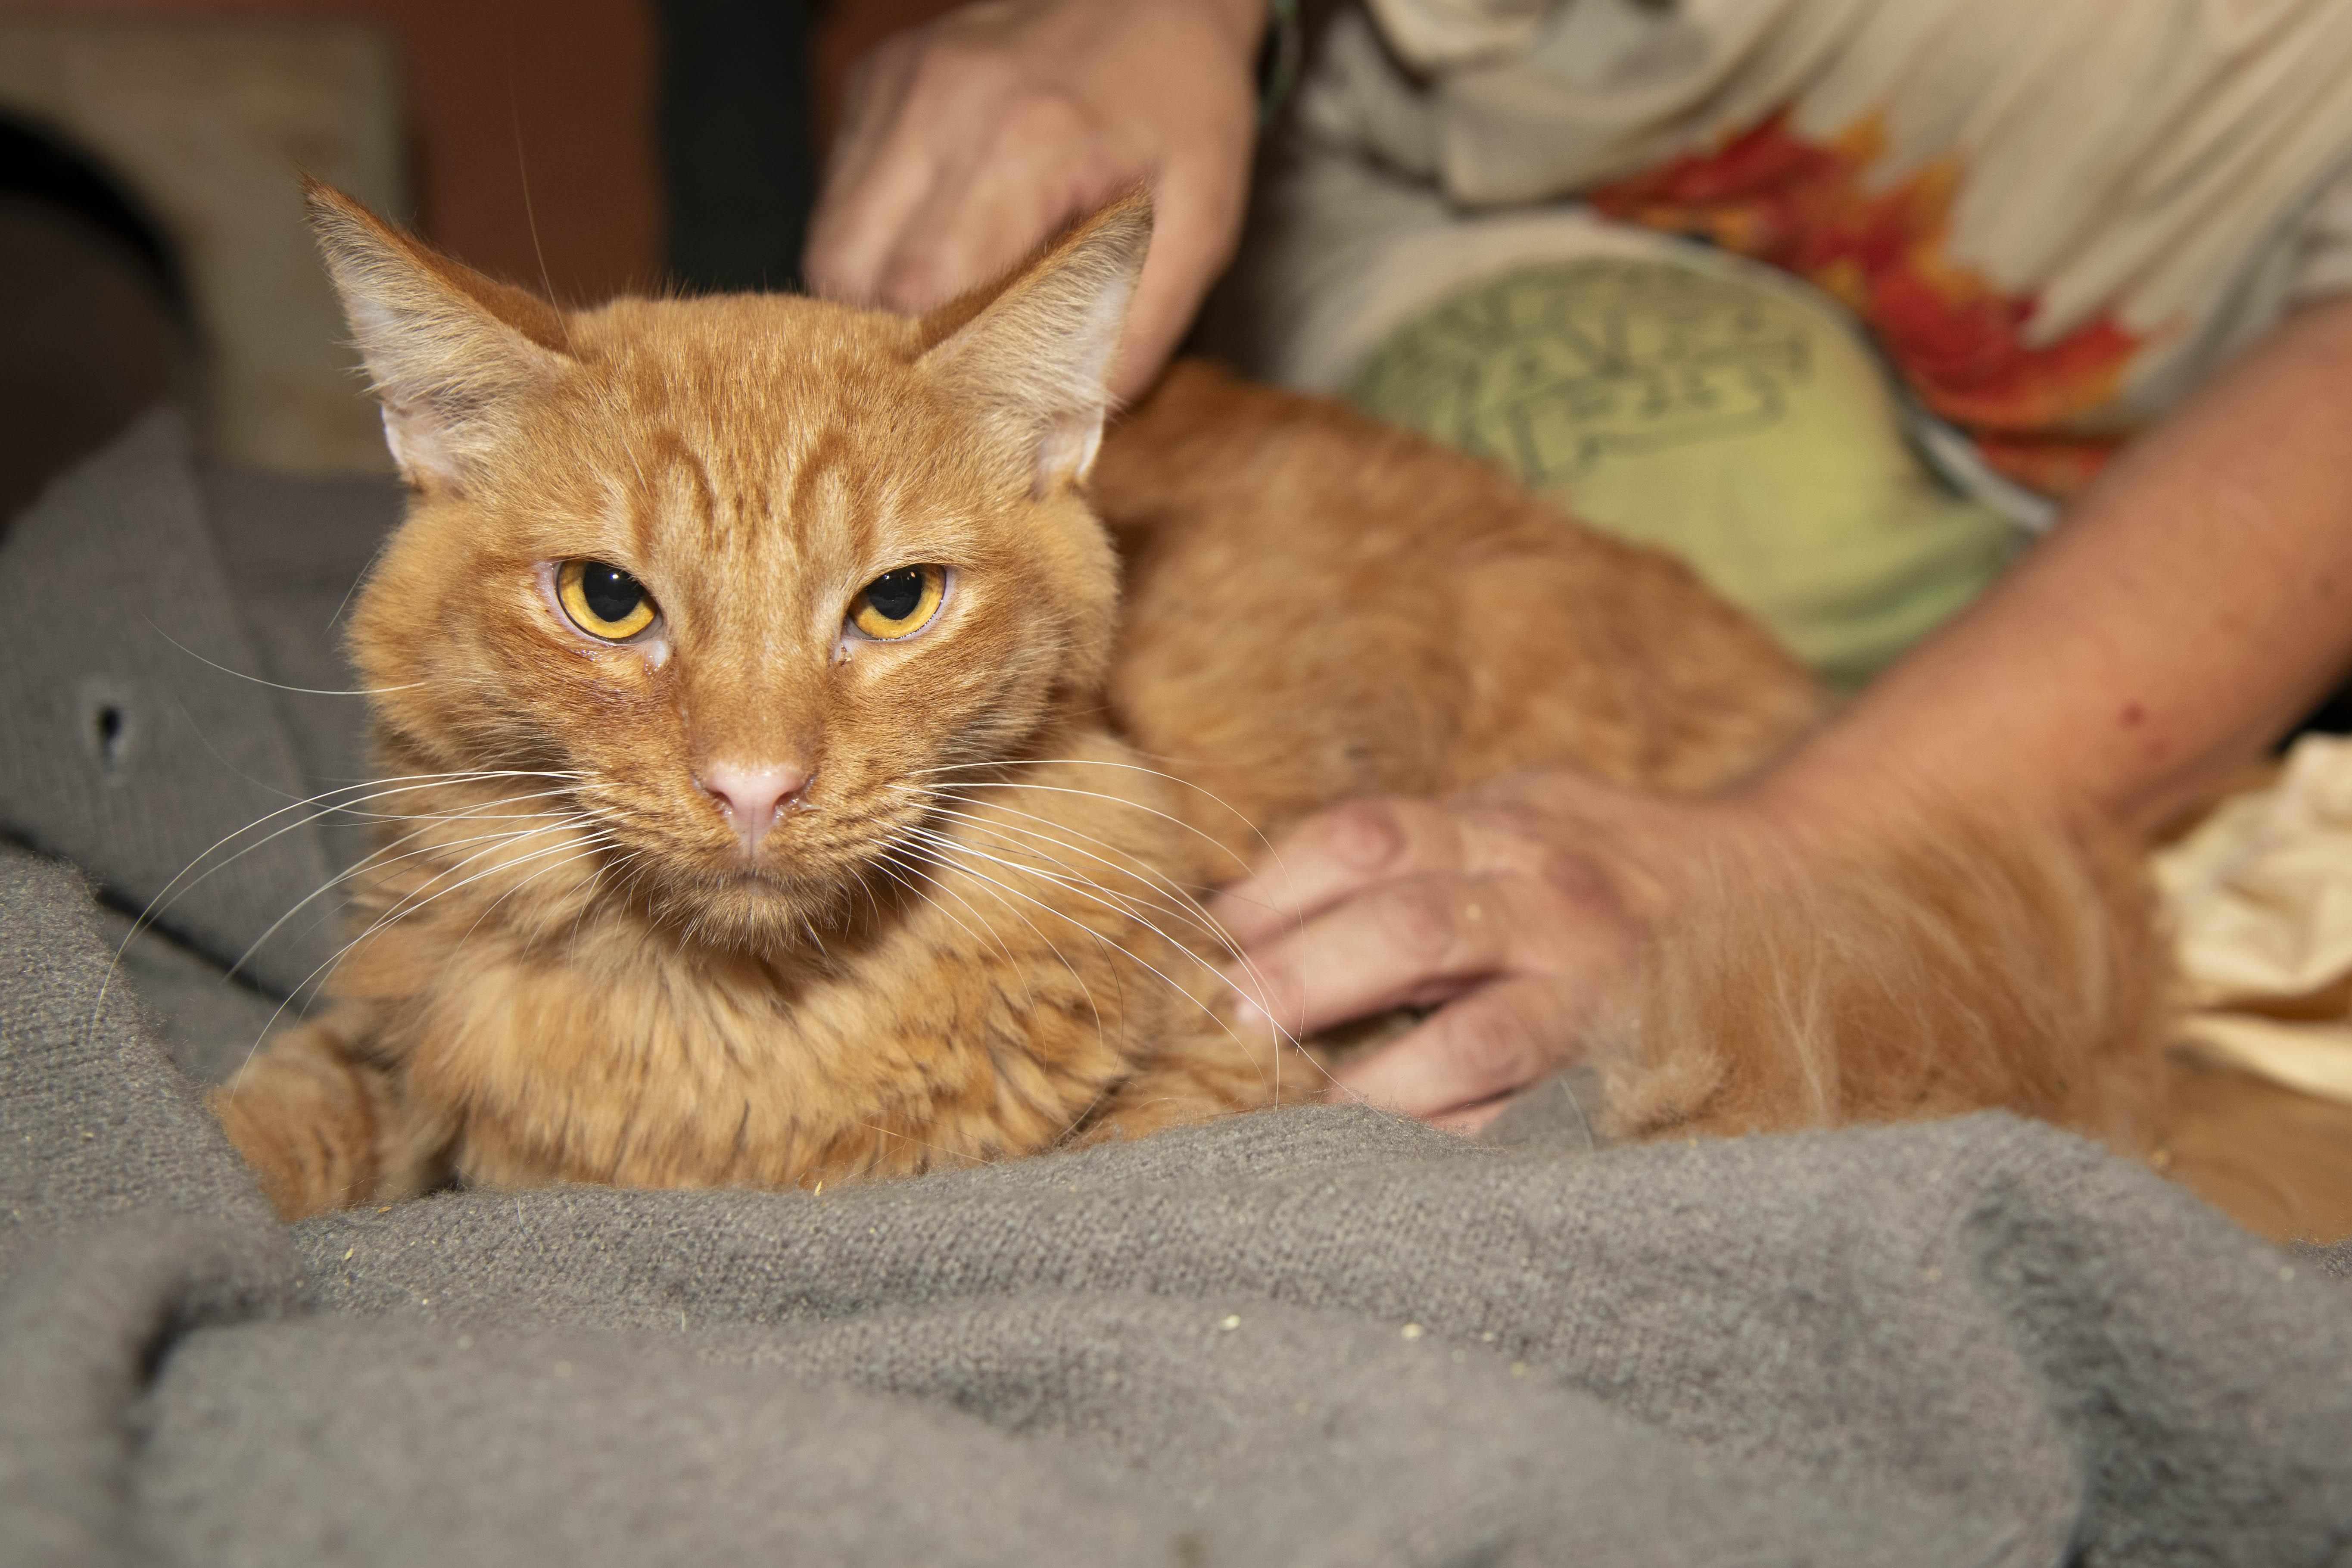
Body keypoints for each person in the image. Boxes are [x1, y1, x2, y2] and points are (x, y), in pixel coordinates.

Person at [804, 0, 2352, 1132]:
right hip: (1468, 208)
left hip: (2220, 387)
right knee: (1750, 495)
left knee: (1824, 743)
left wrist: (1774, 846)